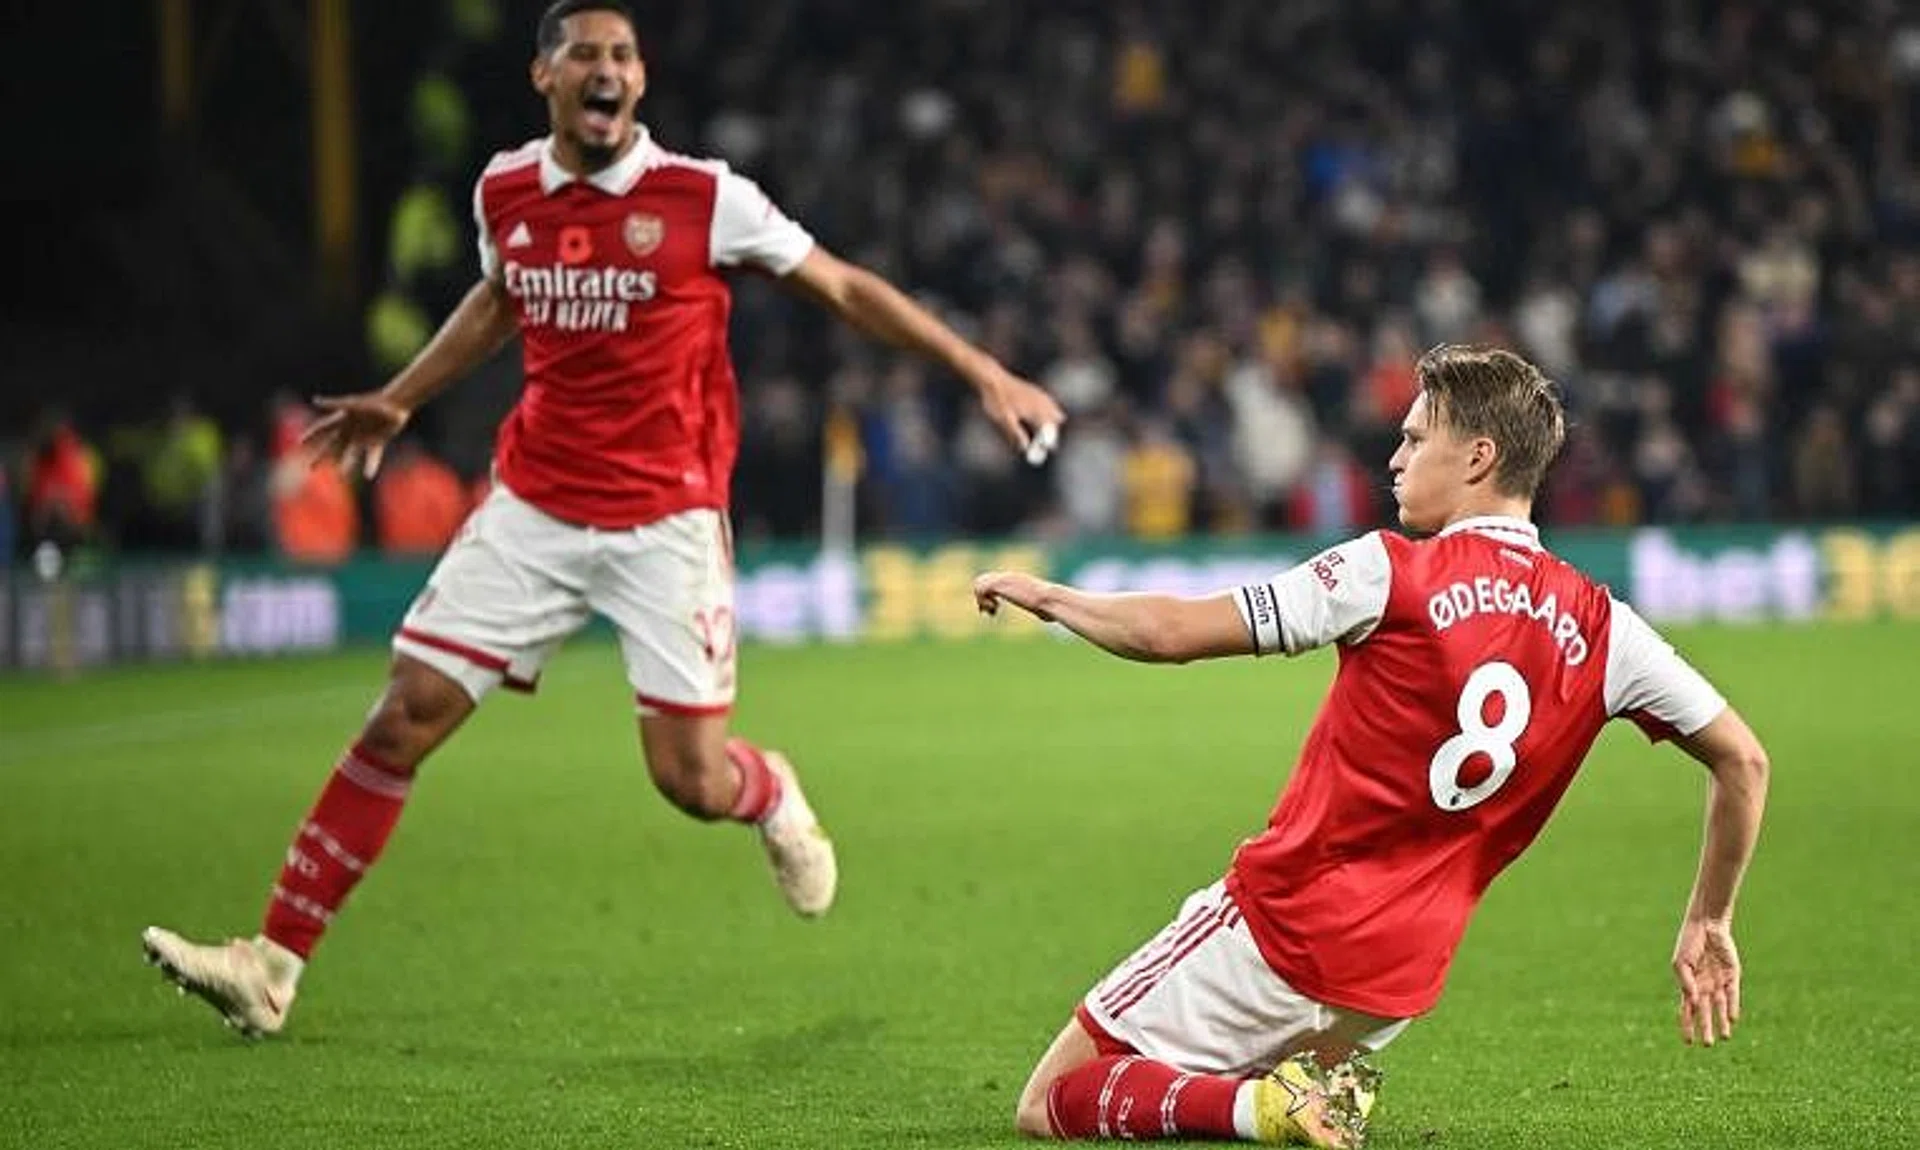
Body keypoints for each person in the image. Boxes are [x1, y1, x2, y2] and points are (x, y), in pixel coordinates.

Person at [141, 0, 1064, 1038]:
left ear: (639, 80)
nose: (608, 67)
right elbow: (500, 299)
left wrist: (981, 371)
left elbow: (843, 287)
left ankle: (769, 791)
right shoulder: (503, 189)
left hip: (665, 520)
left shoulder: (702, 197)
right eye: (585, 52)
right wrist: (403, 394)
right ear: (547, 78)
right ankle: (272, 963)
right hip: (532, 504)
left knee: (689, 779)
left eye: (623, 53)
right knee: (402, 716)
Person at [972, 345, 1766, 1147]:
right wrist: (1710, 917)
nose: (1395, 458)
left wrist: (1048, 594)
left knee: (1052, 1100)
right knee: (1207, 1091)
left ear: (1478, 457)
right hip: (1396, 984)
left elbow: (1170, 634)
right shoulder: (1607, 630)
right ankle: (1283, 1099)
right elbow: (1745, 760)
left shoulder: (1389, 572)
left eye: (1416, 439)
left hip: (1285, 926)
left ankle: (1263, 1108)